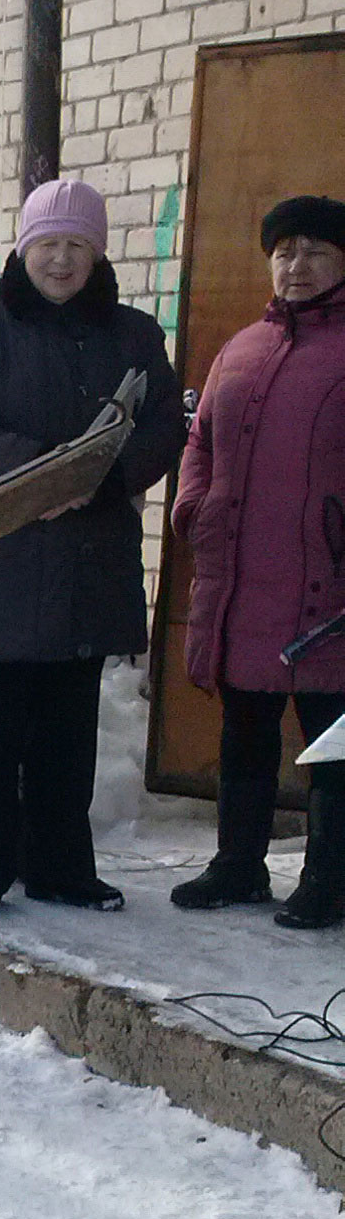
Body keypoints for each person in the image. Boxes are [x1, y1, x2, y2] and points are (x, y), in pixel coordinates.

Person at [0, 179, 186, 915]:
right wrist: (45, 472)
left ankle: (60, 867)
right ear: (24, 248)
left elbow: (163, 425)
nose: (62, 260)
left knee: (68, 734)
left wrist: (102, 482)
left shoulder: (135, 335)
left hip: (87, 559)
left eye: (78, 245)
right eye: (49, 244)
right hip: (1, 556)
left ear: (98, 252)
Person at [171, 195, 345, 929]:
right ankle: (237, 866)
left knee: (332, 742)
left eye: (314, 251)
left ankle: (328, 881)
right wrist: (193, 508)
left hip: (329, 590)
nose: (295, 266)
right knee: (245, 730)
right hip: (244, 583)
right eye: (283, 253)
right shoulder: (241, 348)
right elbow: (199, 443)